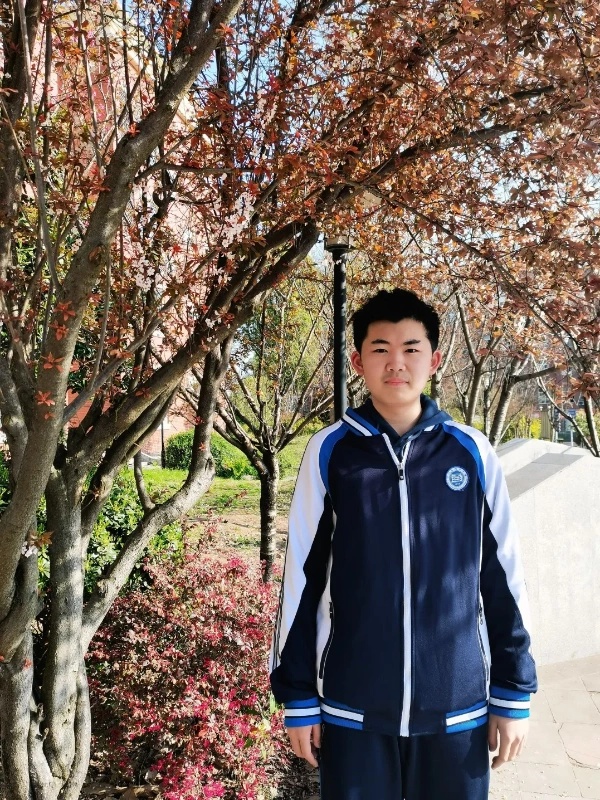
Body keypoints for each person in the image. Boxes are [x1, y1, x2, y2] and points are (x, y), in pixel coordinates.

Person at [269, 288, 537, 800]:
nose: (397, 363)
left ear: (434, 360)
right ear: (357, 361)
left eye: (411, 348)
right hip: (353, 706)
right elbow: (302, 577)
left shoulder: (471, 452)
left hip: (456, 707)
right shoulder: (330, 453)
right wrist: (298, 695)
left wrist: (513, 690)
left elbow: (504, 575)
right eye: (380, 349)